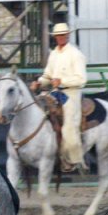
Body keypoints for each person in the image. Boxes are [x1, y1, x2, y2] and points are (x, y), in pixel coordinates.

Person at [29, 23, 88, 172]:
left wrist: (62, 81)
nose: (60, 37)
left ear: (67, 35)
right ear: (55, 37)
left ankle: (75, 160)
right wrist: (39, 82)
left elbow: (81, 80)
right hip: (56, 92)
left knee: (69, 127)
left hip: (70, 93)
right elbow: (48, 74)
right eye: (58, 35)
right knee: (36, 108)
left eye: (63, 35)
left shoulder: (76, 54)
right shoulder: (54, 53)